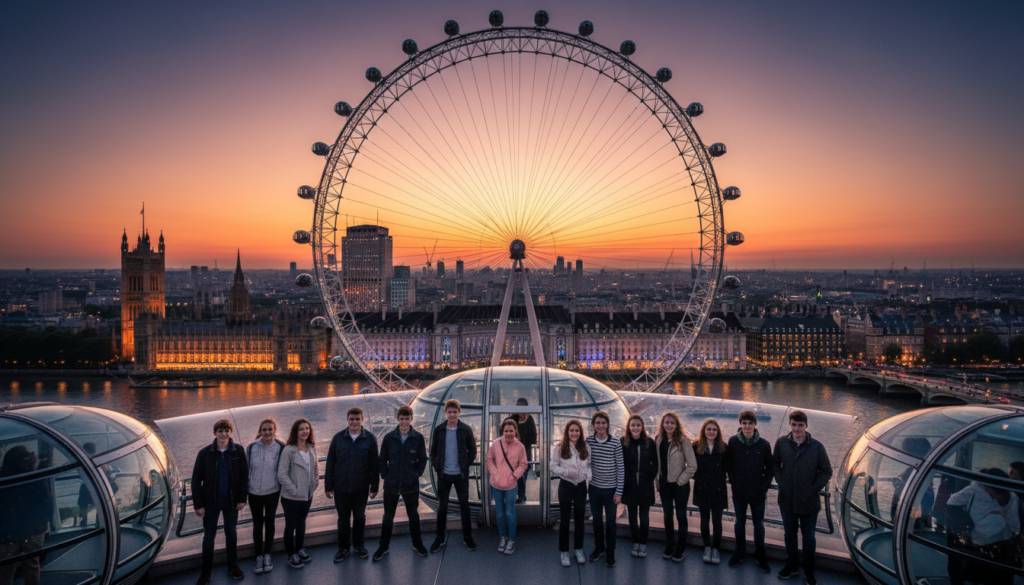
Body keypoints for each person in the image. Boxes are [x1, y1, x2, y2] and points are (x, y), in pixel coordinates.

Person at [773, 410, 832, 585]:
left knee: (809, 538)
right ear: (789, 425)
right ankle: (791, 566)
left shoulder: (817, 446)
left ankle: (809, 571)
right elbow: (775, 464)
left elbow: (827, 471)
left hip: (809, 501)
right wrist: (782, 483)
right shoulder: (781, 443)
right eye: (794, 424)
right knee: (789, 535)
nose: (797, 428)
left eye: (800, 425)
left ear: (806, 426)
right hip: (787, 499)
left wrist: (813, 489)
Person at [191, 419, 248, 584]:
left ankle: (233, 566)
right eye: (220, 431)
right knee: (209, 537)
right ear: (214, 433)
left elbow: (244, 476)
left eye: (226, 431)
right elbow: (196, 481)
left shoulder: (238, 451)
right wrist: (198, 504)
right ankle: (206, 572)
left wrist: (242, 498)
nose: (223, 434)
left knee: (231, 534)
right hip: (210, 502)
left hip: (231, 502)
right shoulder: (204, 453)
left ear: (230, 432)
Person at [946, 468, 1021, 585]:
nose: (997, 497)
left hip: (999, 544)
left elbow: (1014, 525)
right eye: (995, 493)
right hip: (979, 543)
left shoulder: (1011, 498)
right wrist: (965, 524)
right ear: (987, 486)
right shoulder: (972, 491)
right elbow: (951, 503)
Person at [325, 408, 379, 562]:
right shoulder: (338, 438)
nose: (354, 422)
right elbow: (330, 463)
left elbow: (374, 464)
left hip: (361, 488)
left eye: (357, 419)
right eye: (351, 419)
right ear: (347, 420)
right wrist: (329, 486)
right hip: (341, 487)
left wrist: (374, 487)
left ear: (362, 420)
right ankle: (343, 548)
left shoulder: (369, 438)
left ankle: (359, 545)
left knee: (360, 517)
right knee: (343, 519)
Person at [375, 405, 429, 561]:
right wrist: (386, 476)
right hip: (391, 485)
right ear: (397, 419)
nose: (404, 422)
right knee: (388, 517)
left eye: (407, 419)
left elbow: (423, 459)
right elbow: (382, 459)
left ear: (411, 419)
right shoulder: (388, 438)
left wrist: (415, 475)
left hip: (410, 484)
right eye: (402, 419)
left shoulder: (418, 438)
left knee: (413, 516)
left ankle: (417, 544)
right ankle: (383, 546)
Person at [724, 410, 773, 572]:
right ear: (740, 424)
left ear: (755, 425)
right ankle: (740, 553)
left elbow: (770, 469)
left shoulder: (764, 444)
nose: (747, 426)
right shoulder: (733, 442)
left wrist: (764, 486)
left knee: (758, 525)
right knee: (739, 524)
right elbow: (729, 465)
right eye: (744, 423)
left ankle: (760, 555)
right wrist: (734, 482)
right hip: (739, 492)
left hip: (758, 493)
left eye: (750, 423)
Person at [429, 398, 478, 553]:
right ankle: (440, 537)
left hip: (460, 475)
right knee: (442, 507)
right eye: (449, 412)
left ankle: (467, 537)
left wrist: (465, 464)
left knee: (465, 506)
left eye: (454, 412)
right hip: (444, 475)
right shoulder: (439, 430)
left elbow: (473, 450)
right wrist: (438, 468)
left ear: (459, 413)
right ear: (446, 413)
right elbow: (433, 452)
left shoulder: (466, 429)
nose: (452, 415)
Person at [0, 445, 52, 585]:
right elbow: (46, 502)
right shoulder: (34, 478)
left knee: (6, 569)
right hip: (33, 532)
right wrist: (44, 526)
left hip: (7, 535)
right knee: (32, 566)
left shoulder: (4, 480)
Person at [655, 412, 697, 562]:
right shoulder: (658, 440)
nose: (669, 425)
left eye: (672, 423)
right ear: (663, 424)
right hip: (664, 485)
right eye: (667, 422)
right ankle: (670, 544)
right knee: (667, 516)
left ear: (677, 425)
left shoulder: (683, 441)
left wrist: (681, 480)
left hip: (680, 486)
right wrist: (657, 480)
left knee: (680, 516)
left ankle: (681, 547)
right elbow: (657, 463)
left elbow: (692, 465)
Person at [277, 418, 319, 570]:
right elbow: (281, 474)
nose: (304, 432)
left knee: (301, 523)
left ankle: (300, 549)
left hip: (307, 495)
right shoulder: (289, 450)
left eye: (307, 429)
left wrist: (314, 484)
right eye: (301, 429)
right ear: (295, 432)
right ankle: (291, 555)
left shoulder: (311, 447)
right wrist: (294, 490)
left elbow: (315, 469)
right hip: (291, 497)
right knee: (291, 525)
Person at [586, 411, 624, 567]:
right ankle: (599, 548)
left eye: (603, 423)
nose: (600, 426)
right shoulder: (588, 441)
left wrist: (619, 492)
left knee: (610, 522)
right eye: (597, 423)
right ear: (593, 424)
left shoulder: (615, 443)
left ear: (607, 424)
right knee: (596, 521)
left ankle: (610, 552)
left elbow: (620, 468)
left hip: (610, 490)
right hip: (594, 488)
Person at [551, 419, 591, 567]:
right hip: (566, 485)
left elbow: (589, 464)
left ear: (581, 432)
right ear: (567, 432)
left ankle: (578, 549)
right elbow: (553, 465)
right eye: (571, 430)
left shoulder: (586, 447)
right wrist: (566, 472)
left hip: (580, 485)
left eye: (577, 430)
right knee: (565, 519)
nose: (574, 433)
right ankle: (564, 551)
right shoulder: (560, 447)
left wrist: (588, 475)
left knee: (580, 519)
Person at [247, 418, 284, 575]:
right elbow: (246, 469)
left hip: (272, 491)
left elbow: (284, 468)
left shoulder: (281, 447)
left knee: (270, 522)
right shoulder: (251, 447)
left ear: (274, 431)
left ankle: (267, 554)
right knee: (257, 524)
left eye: (270, 429)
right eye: (264, 430)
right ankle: (258, 557)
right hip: (254, 492)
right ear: (260, 431)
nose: (267, 432)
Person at [486, 418, 527, 555]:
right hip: (497, 484)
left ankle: (511, 540)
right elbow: (489, 458)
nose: (509, 433)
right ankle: (502, 538)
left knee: (510, 512)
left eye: (511, 431)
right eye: (506, 431)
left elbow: (523, 464)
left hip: (510, 485)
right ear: (502, 431)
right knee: (500, 513)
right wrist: (494, 472)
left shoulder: (520, 446)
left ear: (515, 431)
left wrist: (514, 476)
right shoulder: (496, 443)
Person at [692, 418, 728, 565]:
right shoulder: (695, 446)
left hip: (718, 489)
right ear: (704, 431)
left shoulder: (724, 447)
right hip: (702, 487)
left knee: (717, 521)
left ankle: (716, 549)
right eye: (709, 429)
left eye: (714, 430)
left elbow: (728, 467)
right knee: (704, 520)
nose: (711, 432)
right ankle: (707, 547)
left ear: (717, 432)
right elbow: (690, 464)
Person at [621, 414, 657, 559]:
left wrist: (649, 478)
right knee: (631, 515)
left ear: (642, 427)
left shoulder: (649, 442)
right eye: (633, 425)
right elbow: (619, 464)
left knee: (644, 515)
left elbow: (655, 463)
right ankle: (635, 542)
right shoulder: (623, 442)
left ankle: (643, 543)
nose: (635, 428)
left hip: (645, 485)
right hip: (629, 486)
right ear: (628, 427)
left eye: (638, 425)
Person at [515, 398, 537, 504]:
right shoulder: (513, 418)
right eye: (517, 408)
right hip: (514, 454)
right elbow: (505, 431)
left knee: (522, 476)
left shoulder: (530, 419)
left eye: (522, 408)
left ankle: (521, 496)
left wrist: (520, 440)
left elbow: (533, 439)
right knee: (517, 476)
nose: (519, 411)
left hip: (525, 454)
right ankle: (520, 496)